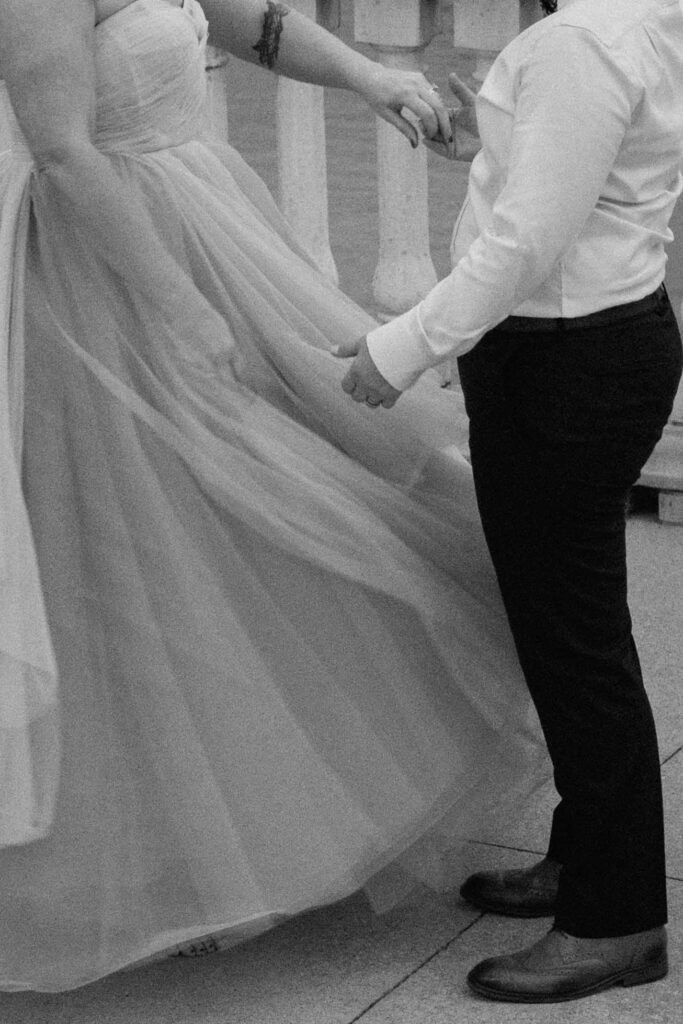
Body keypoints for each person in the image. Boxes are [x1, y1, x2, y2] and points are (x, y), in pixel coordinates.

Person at [0, 0, 549, 993]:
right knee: (147, 557)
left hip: (204, 222)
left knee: (271, 522)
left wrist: (368, 78)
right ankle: (163, 858)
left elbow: (250, 20)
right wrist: (176, 309)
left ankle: (259, 820)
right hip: (109, 276)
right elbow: (63, 152)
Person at [340, 0, 683, 1004]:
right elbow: (573, 188)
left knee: (571, 641)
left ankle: (616, 918)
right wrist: (494, 145)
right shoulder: (629, 19)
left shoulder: (580, 40)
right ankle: (585, 857)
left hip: (563, 362)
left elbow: (527, 242)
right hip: (589, 346)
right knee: (571, 628)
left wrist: (395, 349)